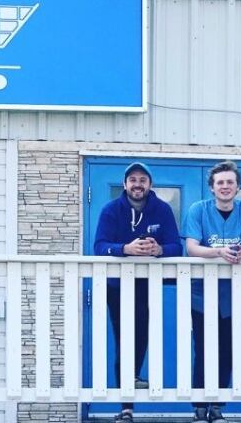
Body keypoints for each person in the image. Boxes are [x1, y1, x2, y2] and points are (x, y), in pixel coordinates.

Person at [94, 162, 182, 423]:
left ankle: (132, 378)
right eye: (132, 179)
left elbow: (176, 246)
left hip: (149, 285)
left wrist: (159, 250)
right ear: (125, 185)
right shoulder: (111, 210)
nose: (137, 184)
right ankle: (126, 406)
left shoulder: (162, 209)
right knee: (124, 339)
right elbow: (99, 246)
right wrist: (126, 249)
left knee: (142, 334)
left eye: (142, 180)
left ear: (150, 185)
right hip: (117, 286)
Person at [184, 161, 241, 423]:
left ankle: (217, 407)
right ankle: (199, 407)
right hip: (201, 295)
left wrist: (239, 254)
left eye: (230, 182)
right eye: (220, 182)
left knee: (227, 351)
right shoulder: (198, 210)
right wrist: (219, 252)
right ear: (212, 187)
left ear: (237, 186)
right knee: (203, 351)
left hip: (233, 295)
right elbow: (192, 248)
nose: (225, 186)